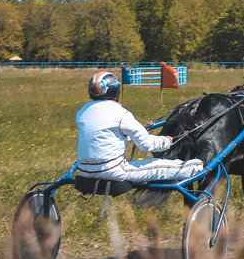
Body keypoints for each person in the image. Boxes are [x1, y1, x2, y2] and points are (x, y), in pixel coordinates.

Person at [75, 70, 205, 183]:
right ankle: (203, 167)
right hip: (114, 170)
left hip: (84, 170)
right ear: (116, 91)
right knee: (172, 166)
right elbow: (145, 145)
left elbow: (105, 136)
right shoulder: (121, 114)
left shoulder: (82, 112)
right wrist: (166, 142)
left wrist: (128, 137)